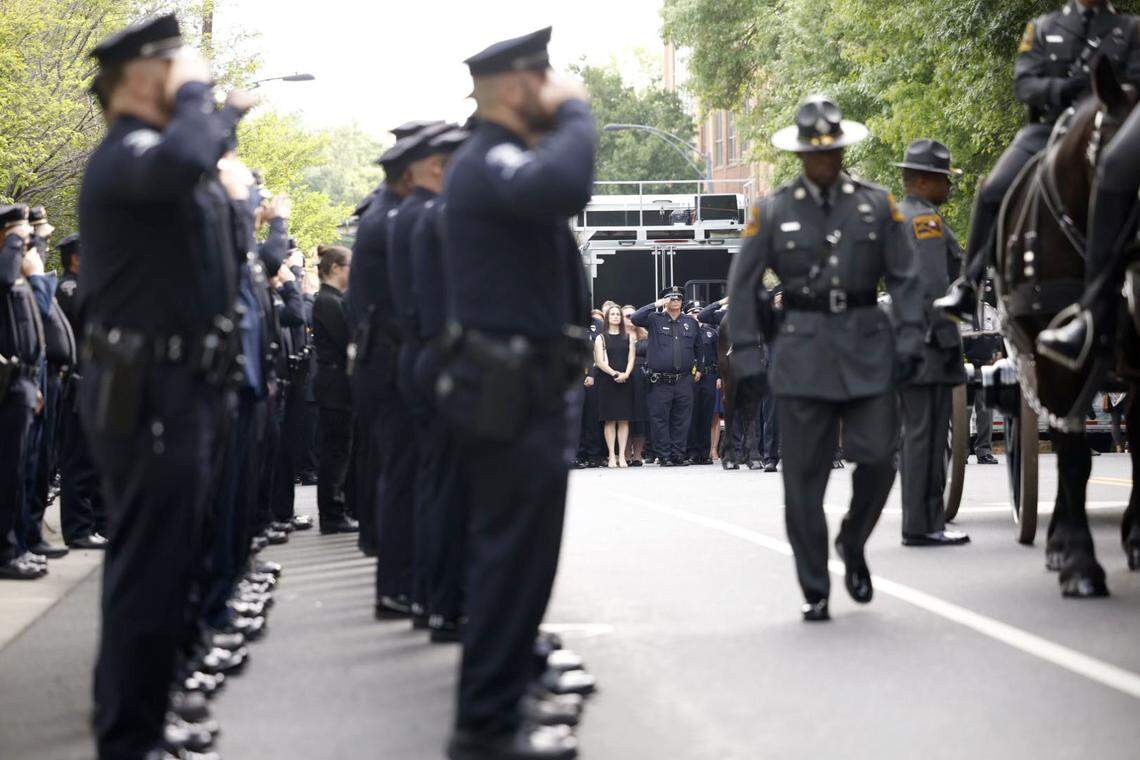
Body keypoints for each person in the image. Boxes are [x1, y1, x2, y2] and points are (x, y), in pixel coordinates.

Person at [79, 14, 253, 756]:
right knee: (147, 569)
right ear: (141, 81)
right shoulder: (126, 155)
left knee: (165, 563)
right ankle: (128, 734)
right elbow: (185, 160)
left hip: (175, 382)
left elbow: (209, 212)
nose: (190, 77)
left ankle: (145, 713)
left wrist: (218, 120)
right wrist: (199, 103)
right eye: (175, 68)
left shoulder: (155, 158)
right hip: (146, 387)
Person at [439, 26, 595, 759]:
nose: (554, 92)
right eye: (543, 82)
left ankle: (502, 705)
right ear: (511, 88)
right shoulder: (486, 159)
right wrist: (578, 113)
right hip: (506, 386)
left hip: (529, 383)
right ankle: (485, 724)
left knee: (523, 560)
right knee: (507, 558)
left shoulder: (501, 159)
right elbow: (568, 184)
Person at [727, 96, 924, 622]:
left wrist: (910, 338)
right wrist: (745, 351)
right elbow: (743, 285)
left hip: (866, 347)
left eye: (833, 151)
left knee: (880, 459)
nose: (824, 161)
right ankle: (815, 586)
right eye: (815, 154)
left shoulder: (877, 205)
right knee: (803, 482)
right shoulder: (772, 211)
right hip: (802, 351)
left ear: (841, 150)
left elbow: (906, 278)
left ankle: (853, 541)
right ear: (800, 156)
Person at [937, 0, 1140, 324]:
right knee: (992, 188)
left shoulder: (1131, 29)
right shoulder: (1042, 28)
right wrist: (1061, 89)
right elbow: (1025, 83)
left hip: (1109, 131)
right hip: (1049, 129)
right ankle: (969, 284)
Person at [894, 140, 971, 547]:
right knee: (925, 433)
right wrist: (946, 338)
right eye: (943, 179)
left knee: (920, 433)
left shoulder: (904, 215)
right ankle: (923, 523)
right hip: (927, 343)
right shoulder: (924, 222)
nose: (949, 187)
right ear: (923, 180)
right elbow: (931, 290)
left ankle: (925, 519)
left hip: (911, 341)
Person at [0, 204, 47, 580]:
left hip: (24, 381)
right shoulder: (5, 271)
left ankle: (14, 546)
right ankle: (5, 551)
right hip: (9, 383)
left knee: (19, 472)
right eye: (19, 235)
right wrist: (13, 243)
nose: (27, 243)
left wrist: (36, 383)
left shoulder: (18, 277)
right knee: (8, 472)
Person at [54, 234, 109, 549]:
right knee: (78, 460)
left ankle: (101, 522)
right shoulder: (69, 288)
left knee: (96, 459)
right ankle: (77, 528)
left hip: (93, 380)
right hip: (78, 383)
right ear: (76, 258)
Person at [311, 244, 358, 534]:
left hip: (336, 382)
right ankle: (332, 513)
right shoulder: (328, 302)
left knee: (340, 447)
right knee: (336, 450)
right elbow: (346, 339)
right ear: (336, 268)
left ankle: (336, 508)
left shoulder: (333, 300)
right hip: (334, 383)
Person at [631, 286, 700, 467]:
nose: (675, 300)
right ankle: (664, 455)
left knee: (682, 419)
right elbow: (635, 317)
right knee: (659, 419)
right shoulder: (654, 319)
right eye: (670, 298)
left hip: (684, 379)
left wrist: (698, 368)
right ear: (664, 300)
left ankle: (678, 454)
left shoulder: (690, 322)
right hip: (660, 380)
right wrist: (655, 304)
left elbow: (698, 348)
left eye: (678, 298)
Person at [593, 304, 636, 468]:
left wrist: (626, 373)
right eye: (613, 314)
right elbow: (599, 361)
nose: (616, 317)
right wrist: (614, 374)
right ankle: (612, 455)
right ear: (607, 318)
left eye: (618, 314)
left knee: (624, 420)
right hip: (607, 381)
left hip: (625, 380)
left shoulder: (629, 337)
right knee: (609, 420)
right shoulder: (601, 337)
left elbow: (631, 358)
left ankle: (623, 456)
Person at [686, 301, 718, 465]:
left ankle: (704, 453)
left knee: (706, 415)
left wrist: (719, 376)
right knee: (691, 415)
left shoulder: (711, 333)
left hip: (709, 376)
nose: (695, 315)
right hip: (690, 377)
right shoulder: (685, 332)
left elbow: (719, 356)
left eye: (699, 312)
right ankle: (692, 452)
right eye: (692, 312)